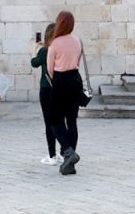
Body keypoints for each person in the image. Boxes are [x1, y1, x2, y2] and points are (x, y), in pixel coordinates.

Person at [46, 11, 84, 175]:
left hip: (60, 81)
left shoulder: (55, 43)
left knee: (54, 120)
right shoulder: (77, 41)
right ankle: (70, 163)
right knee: (72, 121)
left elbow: (49, 68)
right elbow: (78, 62)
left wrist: (57, 80)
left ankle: (68, 152)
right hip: (75, 80)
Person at [31, 22, 61, 165]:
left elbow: (34, 63)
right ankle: (63, 152)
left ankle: (52, 155)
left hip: (46, 88)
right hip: (60, 88)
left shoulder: (44, 51)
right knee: (61, 121)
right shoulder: (61, 49)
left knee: (49, 123)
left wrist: (34, 48)